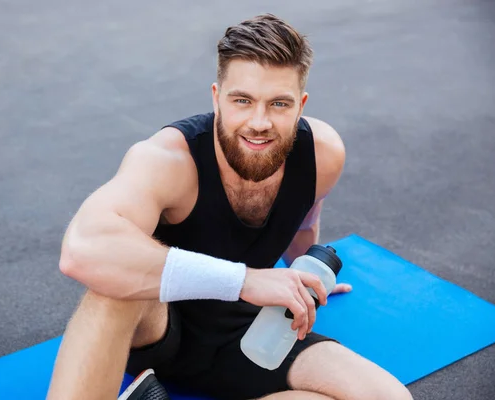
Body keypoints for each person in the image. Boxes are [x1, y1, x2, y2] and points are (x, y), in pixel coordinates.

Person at [46, 14, 413, 400]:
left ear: (300, 105)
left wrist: (307, 272)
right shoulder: (167, 160)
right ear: (216, 97)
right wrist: (246, 281)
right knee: (111, 280)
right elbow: (81, 251)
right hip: (159, 328)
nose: (259, 122)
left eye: (279, 104)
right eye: (242, 100)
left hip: (253, 331)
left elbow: (304, 221)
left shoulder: (322, 154)